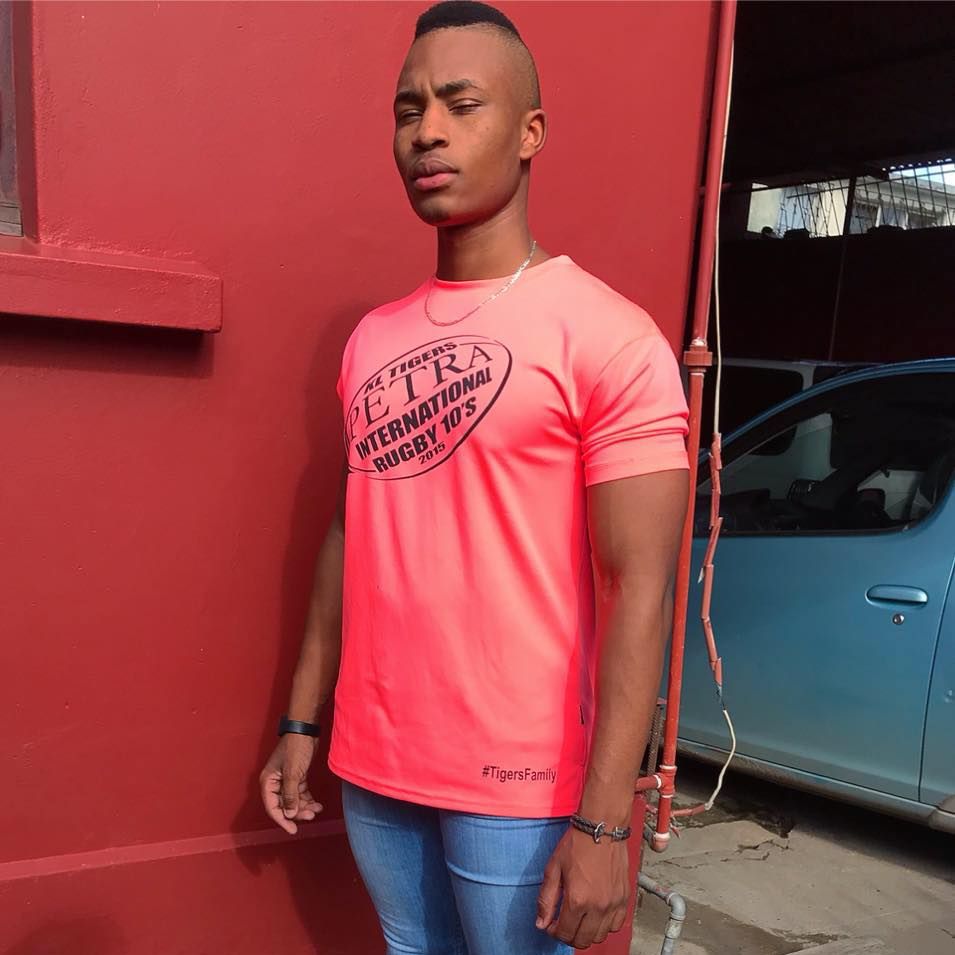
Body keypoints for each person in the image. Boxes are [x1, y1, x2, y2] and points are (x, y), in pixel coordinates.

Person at [259, 2, 690, 952]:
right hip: (376, 762)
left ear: (529, 132)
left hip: (521, 788)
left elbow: (639, 588)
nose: (428, 132)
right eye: (408, 109)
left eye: (461, 105)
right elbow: (350, 531)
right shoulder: (373, 339)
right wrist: (301, 717)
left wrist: (603, 820)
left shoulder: (610, 338)